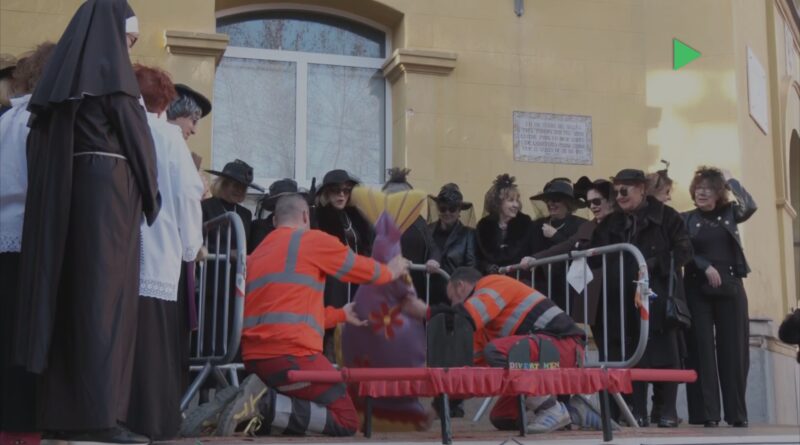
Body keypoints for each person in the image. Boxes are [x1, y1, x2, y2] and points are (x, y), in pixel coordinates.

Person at [14, 1, 160, 442]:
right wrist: (151, 196)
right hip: (107, 203)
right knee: (104, 305)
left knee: (70, 301)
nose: (129, 50)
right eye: (128, 40)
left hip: (69, 201)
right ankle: (100, 415)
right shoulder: (116, 84)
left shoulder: (63, 84)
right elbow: (141, 146)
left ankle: (62, 413)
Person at [214, 194, 410, 437]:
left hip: (256, 360)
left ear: (274, 221)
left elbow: (287, 316)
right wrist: (390, 271)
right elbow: (358, 268)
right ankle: (262, 405)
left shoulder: (259, 252)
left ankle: (241, 409)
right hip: (292, 355)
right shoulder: (312, 241)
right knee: (346, 419)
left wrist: (339, 315)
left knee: (302, 409)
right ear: (306, 216)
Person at [403, 267, 586, 433]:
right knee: (502, 417)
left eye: (453, 299)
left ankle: (550, 408)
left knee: (496, 351)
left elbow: (462, 317)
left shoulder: (492, 284)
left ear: (460, 286)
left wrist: (426, 312)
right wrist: (435, 410)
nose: (453, 306)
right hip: (543, 355)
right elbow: (467, 373)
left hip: (563, 345)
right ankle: (574, 413)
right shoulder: (486, 324)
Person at [126, 64, 205, 440]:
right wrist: (192, 245)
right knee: (154, 345)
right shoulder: (167, 136)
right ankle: (153, 422)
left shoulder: (122, 128)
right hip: (158, 252)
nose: (193, 129)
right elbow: (188, 193)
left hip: (120, 254)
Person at [591, 169, 692, 428]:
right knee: (631, 352)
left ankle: (667, 410)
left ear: (642, 189)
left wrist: (654, 263)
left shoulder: (668, 217)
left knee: (666, 352)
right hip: (622, 301)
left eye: (625, 190)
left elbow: (684, 250)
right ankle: (637, 410)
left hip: (658, 296)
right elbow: (596, 253)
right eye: (616, 191)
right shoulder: (610, 223)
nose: (619, 196)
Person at [0, 41, 55, 445]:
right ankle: (23, 429)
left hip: (5, 237)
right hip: (30, 238)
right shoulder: (42, 120)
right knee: (27, 344)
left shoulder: (6, 119)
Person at [683, 167, 755, 428]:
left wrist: (731, 179)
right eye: (698, 188)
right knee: (701, 349)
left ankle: (737, 414)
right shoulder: (685, 219)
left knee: (734, 350)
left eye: (709, 188)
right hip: (697, 287)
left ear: (719, 193)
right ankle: (707, 414)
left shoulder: (730, 214)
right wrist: (704, 265)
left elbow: (750, 206)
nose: (702, 193)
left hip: (731, 285)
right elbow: (683, 248)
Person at [314, 169, 374, 359]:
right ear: (326, 193)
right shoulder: (319, 216)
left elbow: (367, 246)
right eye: (336, 190)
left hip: (356, 282)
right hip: (333, 282)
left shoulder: (355, 216)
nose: (341, 195)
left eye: (346, 191)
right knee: (333, 330)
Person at [528, 178, 588, 310]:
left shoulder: (580, 224)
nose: (551, 203)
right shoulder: (537, 225)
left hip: (569, 287)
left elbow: (577, 248)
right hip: (542, 286)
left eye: (556, 199)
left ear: (567, 203)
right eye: (548, 200)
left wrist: (556, 236)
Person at [383, 168, 437, 302]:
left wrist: (433, 260)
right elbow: (371, 252)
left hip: (416, 290)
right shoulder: (379, 221)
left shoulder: (418, 221)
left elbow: (433, 247)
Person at [427, 183, 477, 306]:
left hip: (455, 297)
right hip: (428, 293)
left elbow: (471, 266)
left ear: (459, 210)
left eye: (452, 208)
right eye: (443, 208)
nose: (447, 212)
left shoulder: (468, 234)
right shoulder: (428, 230)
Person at [476, 174, 534, 276]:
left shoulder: (525, 223)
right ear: (498, 203)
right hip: (492, 280)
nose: (516, 205)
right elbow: (479, 258)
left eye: (517, 200)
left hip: (519, 279)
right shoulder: (483, 226)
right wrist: (488, 267)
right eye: (511, 200)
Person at [250, 178, 307, 251]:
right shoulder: (259, 227)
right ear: (274, 206)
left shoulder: (305, 226)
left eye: (292, 202)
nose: (287, 206)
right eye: (283, 202)